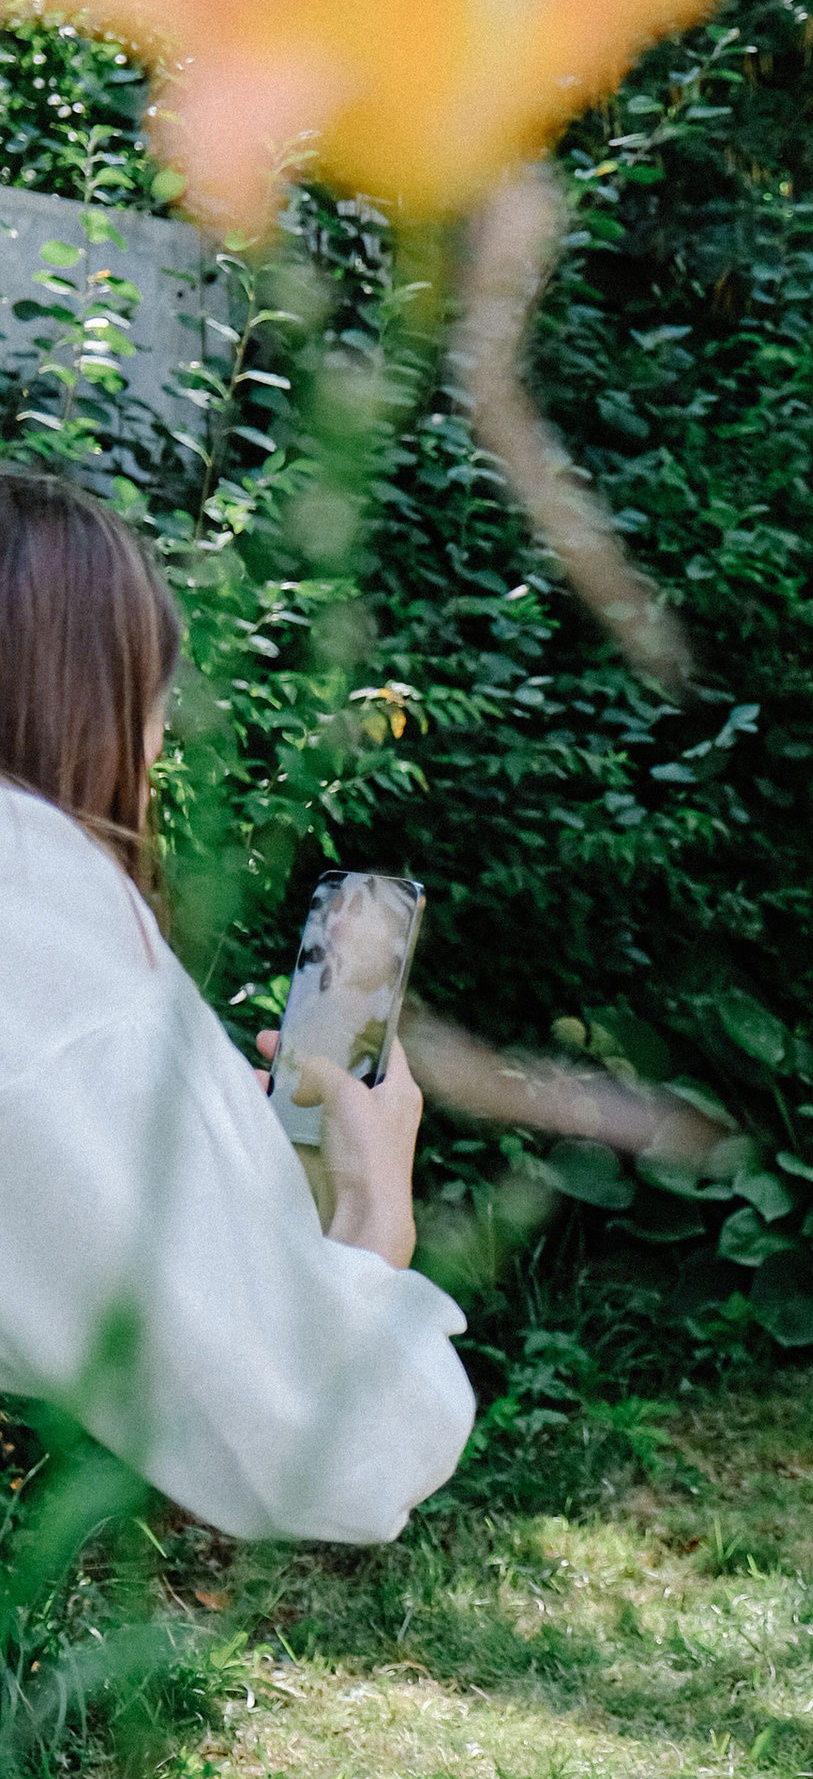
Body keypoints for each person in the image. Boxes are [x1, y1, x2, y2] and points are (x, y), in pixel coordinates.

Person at [0, 471, 472, 1543]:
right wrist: (368, 1219)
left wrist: (235, 1193)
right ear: (86, 709)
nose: (156, 757)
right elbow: (330, 1452)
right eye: (156, 714)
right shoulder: (45, 912)